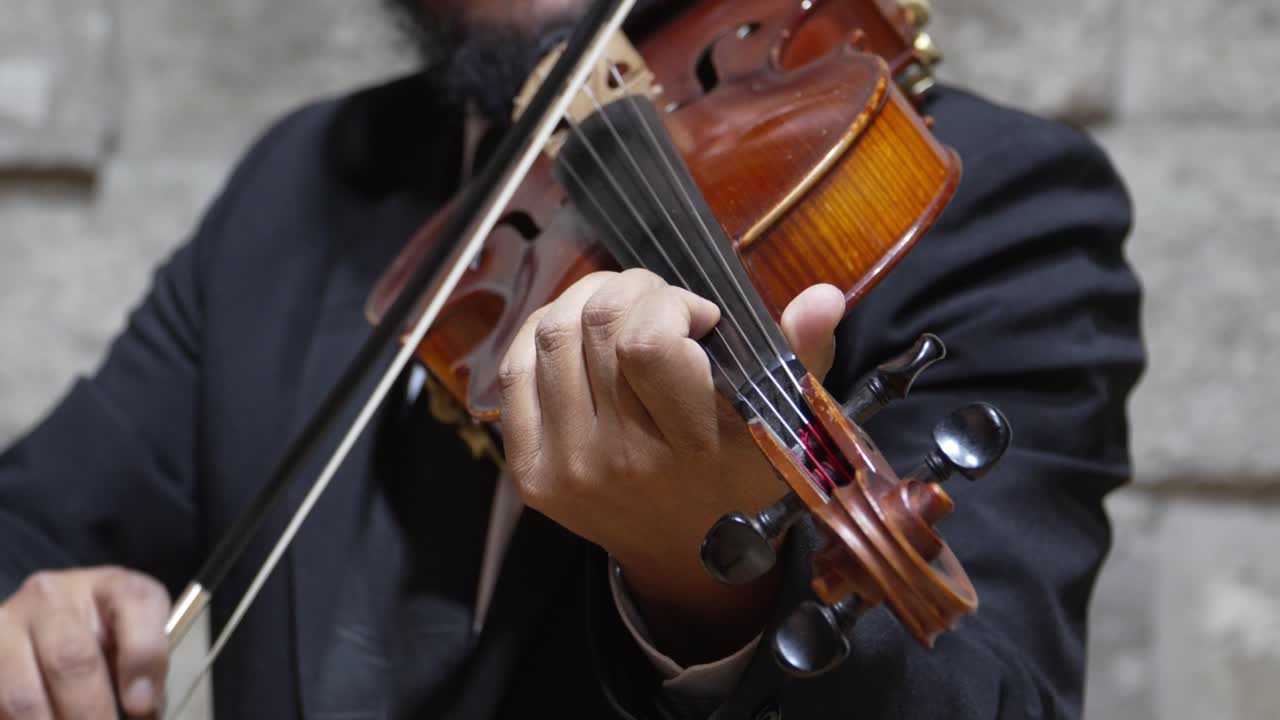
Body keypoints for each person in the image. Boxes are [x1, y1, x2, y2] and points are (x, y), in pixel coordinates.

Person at [0, 0, 1145, 718]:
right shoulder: (302, 183)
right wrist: (30, 622)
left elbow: (992, 699)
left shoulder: (976, 199)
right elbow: (30, 525)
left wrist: (714, 594)